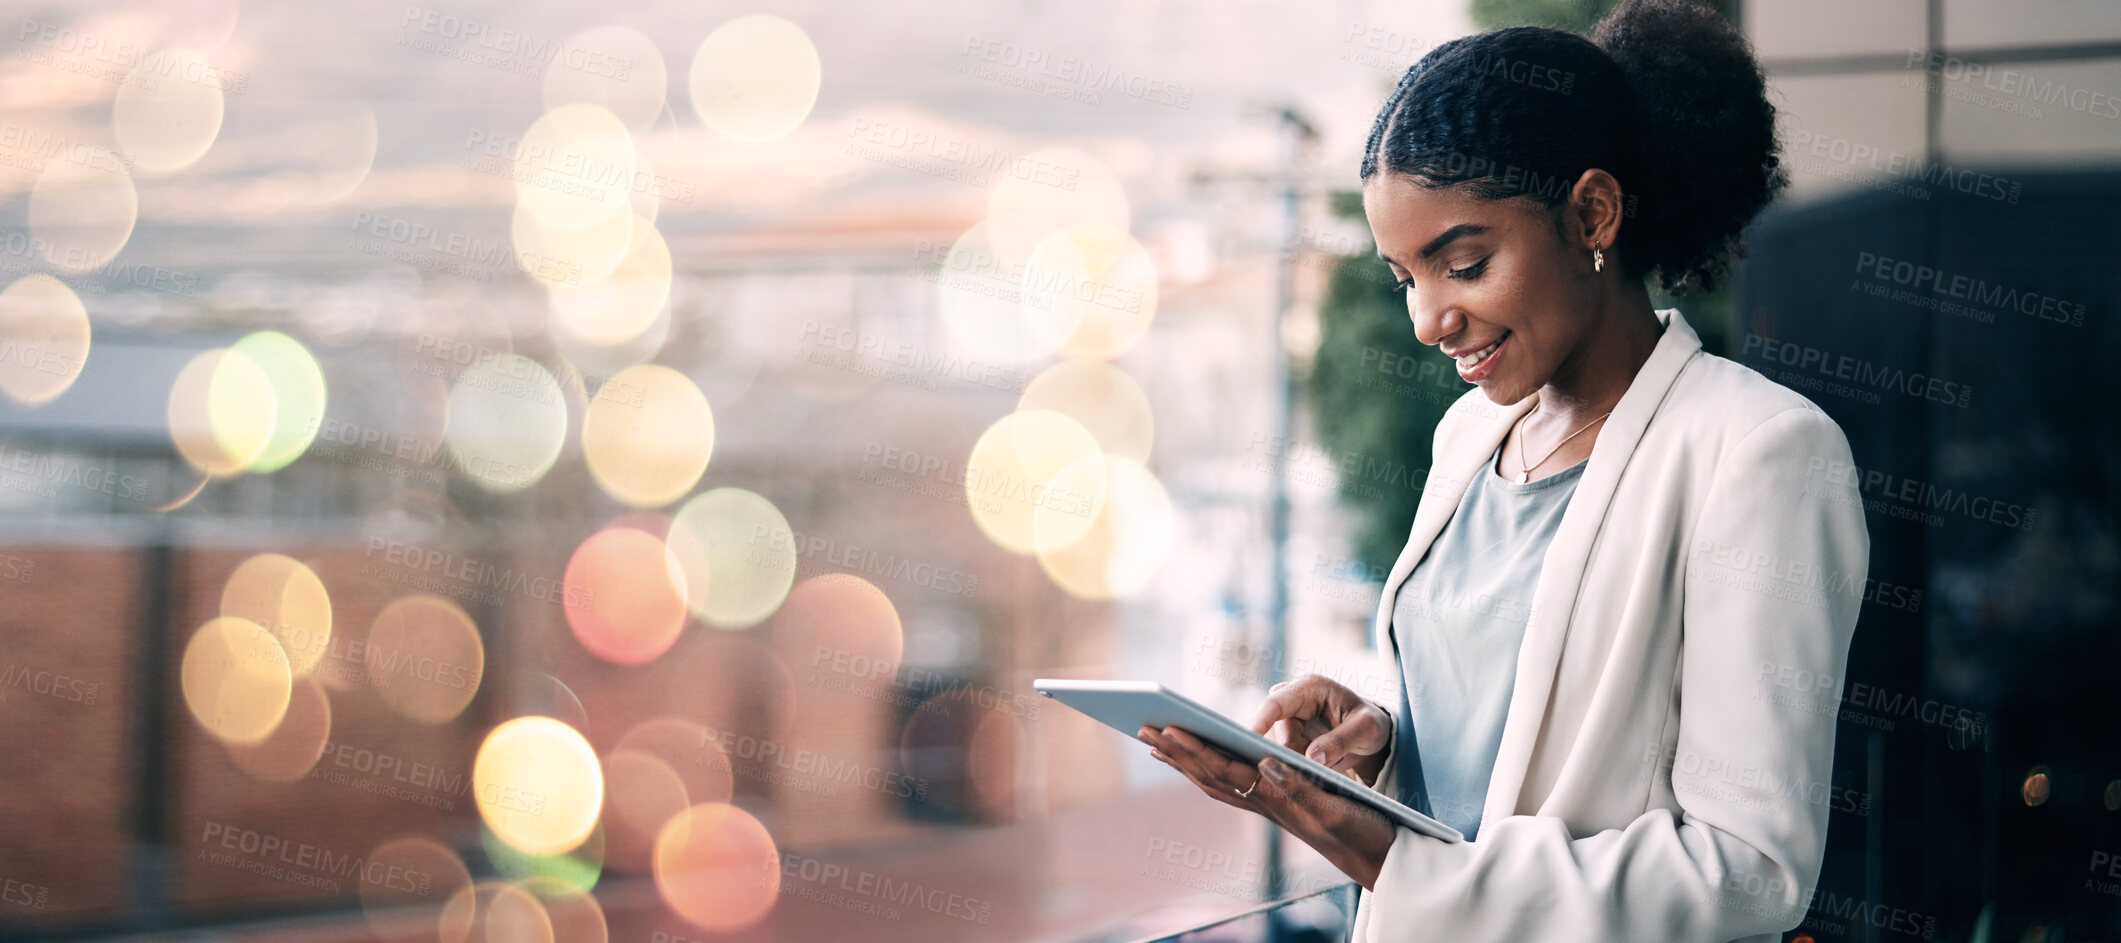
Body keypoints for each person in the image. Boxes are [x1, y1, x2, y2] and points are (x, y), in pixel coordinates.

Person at [1136, 1, 1872, 939]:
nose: (1425, 319)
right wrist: (1384, 754)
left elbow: (1747, 869)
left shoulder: (1759, 452)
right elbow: (1514, 766)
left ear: (1591, 213)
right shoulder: (1467, 438)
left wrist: (1383, 855)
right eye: (1406, 277)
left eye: (1464, 263)